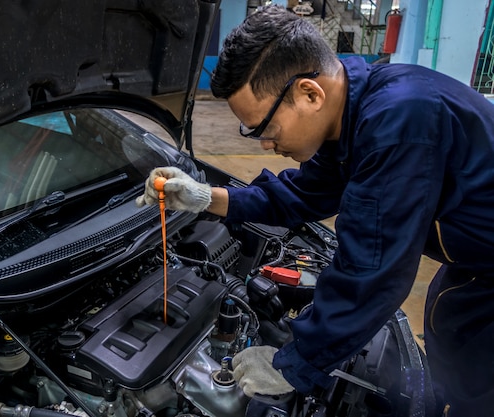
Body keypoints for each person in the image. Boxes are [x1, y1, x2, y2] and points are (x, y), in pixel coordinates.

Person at [136, 4, 494, 416]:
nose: (265, 144)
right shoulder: (354, 120)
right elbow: (300, 195)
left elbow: (373, 269)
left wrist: (296, 363)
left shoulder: (399, 122)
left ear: (310, 93)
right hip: (471, 267)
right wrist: (207, 197)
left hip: (484, 272)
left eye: (265, 129)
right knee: (453, 359)